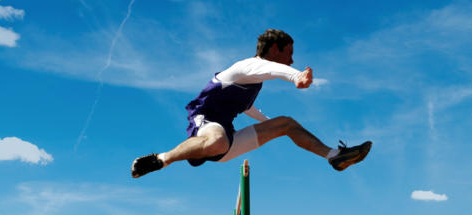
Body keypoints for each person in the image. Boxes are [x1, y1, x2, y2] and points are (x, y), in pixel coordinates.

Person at [131, 29, 371, 178]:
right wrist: (297, 76)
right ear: (275, 49)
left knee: (286, 123)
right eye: (289, 52)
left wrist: (270, 125)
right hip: (206, 122)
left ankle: (334, 156)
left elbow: (246, 108)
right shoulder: (247, 66)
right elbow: (272, 68)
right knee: (217, 139)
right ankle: (161, 159)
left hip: (227, 139)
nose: (292, 58)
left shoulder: (253, 82)